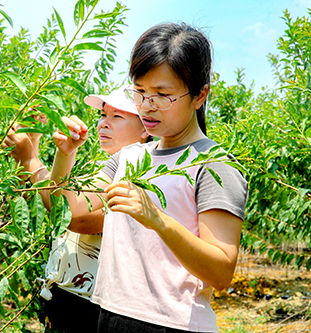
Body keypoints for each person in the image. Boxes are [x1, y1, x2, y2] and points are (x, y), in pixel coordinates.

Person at [49, 22, 248, 332]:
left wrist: (157, 218)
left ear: (199, 95)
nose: (147, 106)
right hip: (110, 314)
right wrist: (66, 155)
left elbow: (221, 273)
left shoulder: (214, 166)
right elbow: (71, 214)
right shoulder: (129, 157)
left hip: (172, 325)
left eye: (162, 94)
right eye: (140, 93)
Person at [2, 86, 149, 332]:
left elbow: (73, 218)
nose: (104, 123)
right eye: (103, 115)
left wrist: (30, 159)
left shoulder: (140, 176)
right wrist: (33, 145)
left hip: (96, 311)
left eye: (117, 116)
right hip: (65, 303)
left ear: (146, 128)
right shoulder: (99, 169)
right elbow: (53, 197)